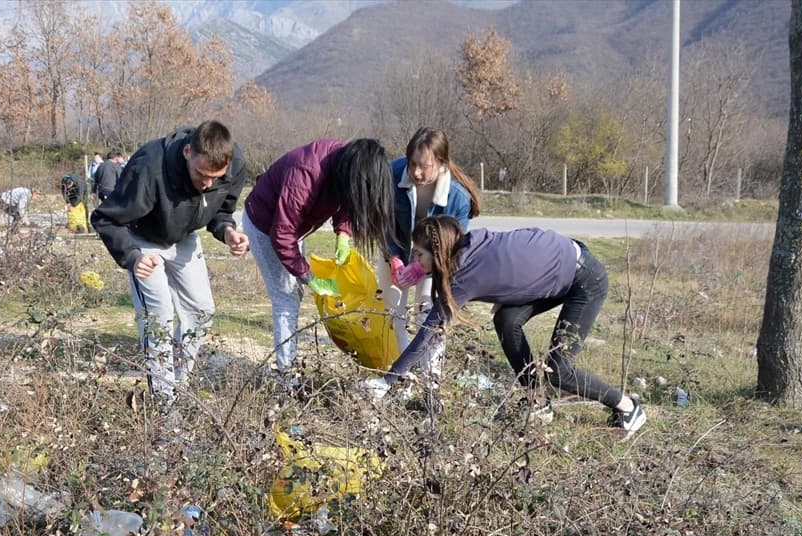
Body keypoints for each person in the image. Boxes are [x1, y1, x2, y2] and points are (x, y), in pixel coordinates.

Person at [362, 216, 647, 432]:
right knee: (506, 318)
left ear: (437, 254)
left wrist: (387, 380)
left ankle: (628, 408)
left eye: (419, 255)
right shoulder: (467, 246)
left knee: (559, 370)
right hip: (563, 263)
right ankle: (538, 401)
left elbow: (427, 334)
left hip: (585, 279)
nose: (415, 259)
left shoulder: (464, 277)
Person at [90, 121, 249, 402]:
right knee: (159, 315)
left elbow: (220, 211)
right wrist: (132, 256)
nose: (208, 184)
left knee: (201, 310)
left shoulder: (234, 165)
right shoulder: (150, 166)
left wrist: (228, 232)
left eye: (216, 177)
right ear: (187, 151)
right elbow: (105, 217)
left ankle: (178, 384)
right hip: (143, 239)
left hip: (183, 236)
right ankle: (164, 402)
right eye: (202, 175)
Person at [242, 138, 395, 381]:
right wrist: (308, 276)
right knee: (286, 297)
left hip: (291, 227)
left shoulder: (348, 163)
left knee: (293, 294)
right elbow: (281, 234)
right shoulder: (305, 173)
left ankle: (288, 368)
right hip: (265, 225)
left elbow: (348, 198)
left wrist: (343, 233)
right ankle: (287, 377)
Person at [383, 128, 481, 383]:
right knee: (394, 311)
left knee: (428, 310)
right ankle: (402, 377)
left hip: (433, 261)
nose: (415, 172)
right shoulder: (392, 175)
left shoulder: (458, 198)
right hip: (396, 252)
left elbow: (452, 247)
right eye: (412, 163)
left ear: (441, 163)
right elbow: (381, 222)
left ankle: (431, 379)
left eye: (424, 166)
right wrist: (393, 257)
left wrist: (421, 267)